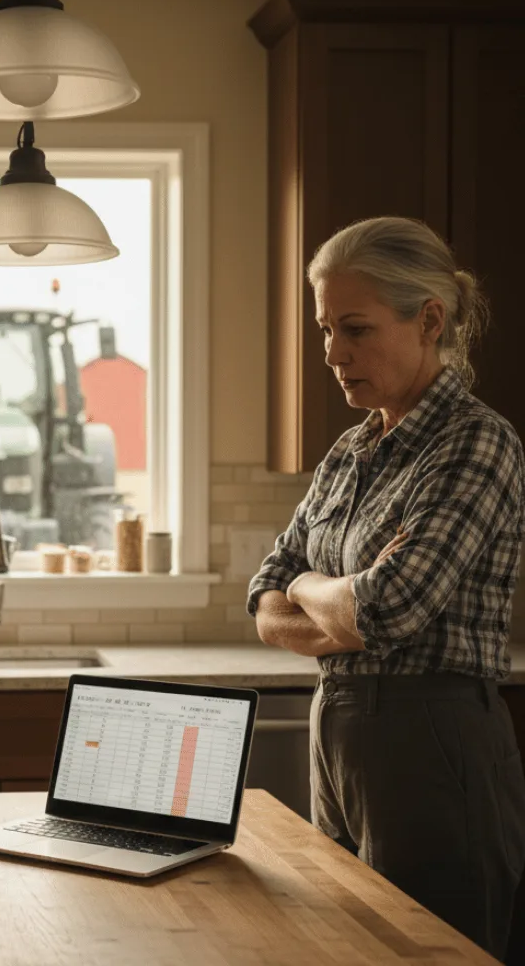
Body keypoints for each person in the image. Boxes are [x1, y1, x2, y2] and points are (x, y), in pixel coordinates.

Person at [248, 215, 525, 960]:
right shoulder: (350, 449)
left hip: (431, 739)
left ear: (428, 319)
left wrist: (312, 584)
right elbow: (263, 599)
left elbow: (389, 607)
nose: (334, 354)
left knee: (434, 952)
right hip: (335, 725)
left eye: (357, 329)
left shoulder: (477, 442)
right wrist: (329, 592)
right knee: (348, 948)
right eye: (325, 329)